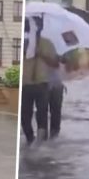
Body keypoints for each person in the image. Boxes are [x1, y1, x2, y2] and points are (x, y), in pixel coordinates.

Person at [21, 16, 58, 145]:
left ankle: (41, 143)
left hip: (42, 84)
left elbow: (55, 63)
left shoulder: (47, 44)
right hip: (25, 85)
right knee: (25, 116)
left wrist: (41, 54)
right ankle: (30, 139)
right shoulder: (23, 43)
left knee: (42, 113)